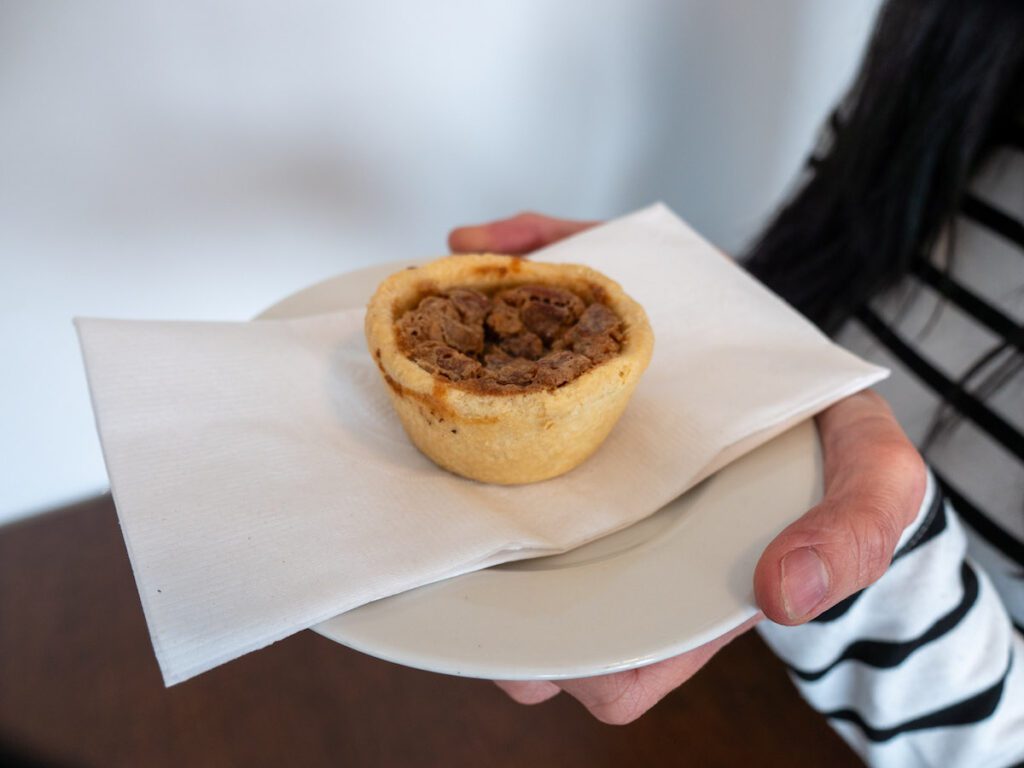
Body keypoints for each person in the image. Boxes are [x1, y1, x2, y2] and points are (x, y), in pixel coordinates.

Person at [448, 1, 1024, 765]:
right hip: (689, 644)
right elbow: (820, 322)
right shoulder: (957, 30)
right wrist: (727, 314)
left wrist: (881, 553)